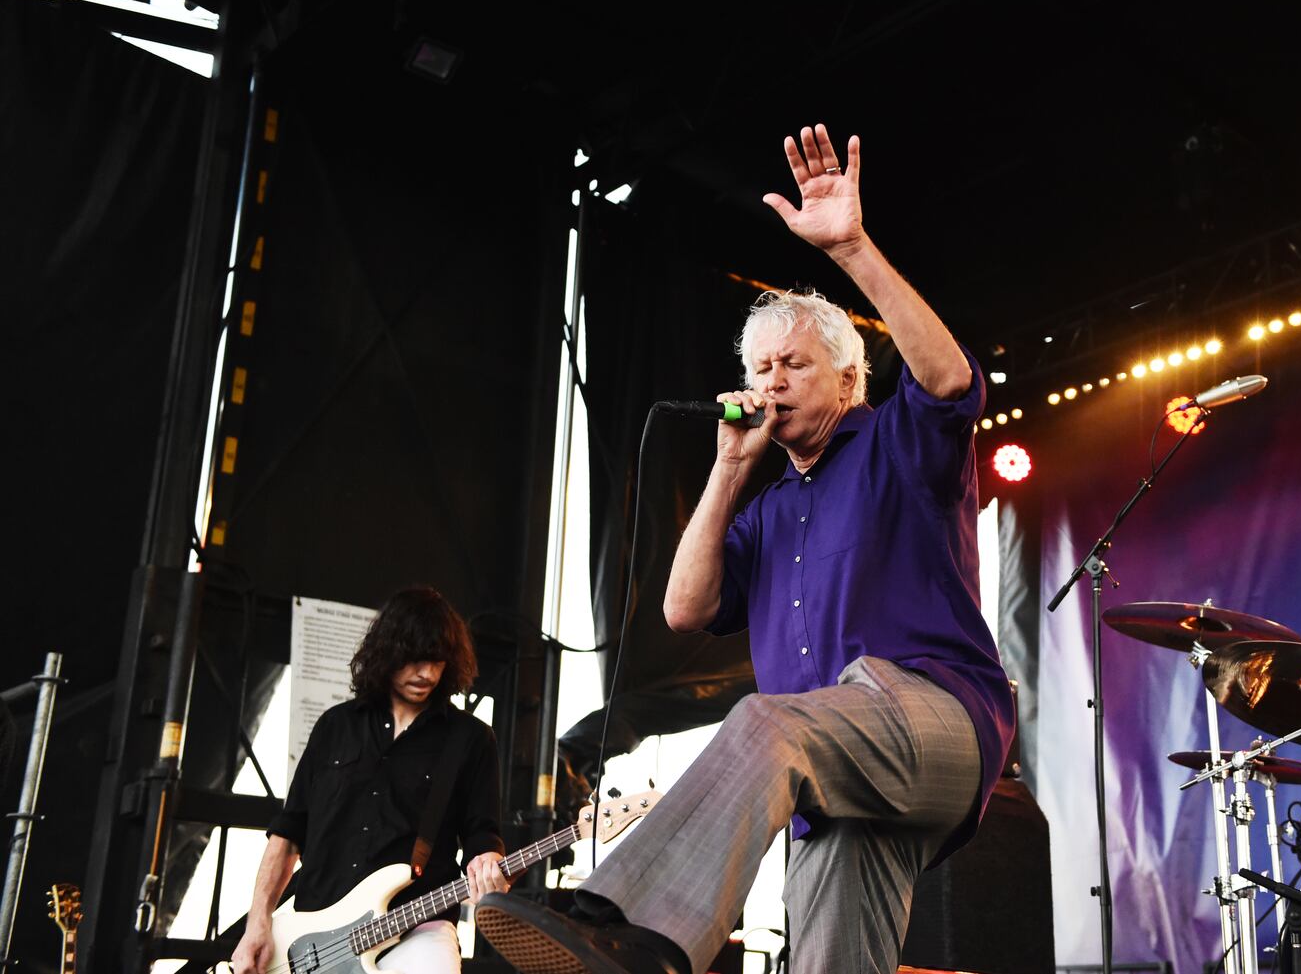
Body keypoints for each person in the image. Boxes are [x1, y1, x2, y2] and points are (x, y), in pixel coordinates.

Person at [474, 123, 1015, 974]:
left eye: (793, 364)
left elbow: (949, 382)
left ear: (847, 378)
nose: (770, 382)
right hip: (828, 779)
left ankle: (629, 932)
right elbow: (684, 608)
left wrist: (854, 248)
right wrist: (729, 468)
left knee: (765, 719)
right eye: (760, 367)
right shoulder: (764, 510)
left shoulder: (896, 443)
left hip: (940, 723)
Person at [230, 586, 511, 974]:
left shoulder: (471, 739)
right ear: (388, 652)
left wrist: (488, 861)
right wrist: (257, 922)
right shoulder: (335, 726)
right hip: (310, 937)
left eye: (437, 661)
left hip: (415, 929)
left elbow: (483, 834)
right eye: (415, 659)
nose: (427, 673)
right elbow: (289, 831)